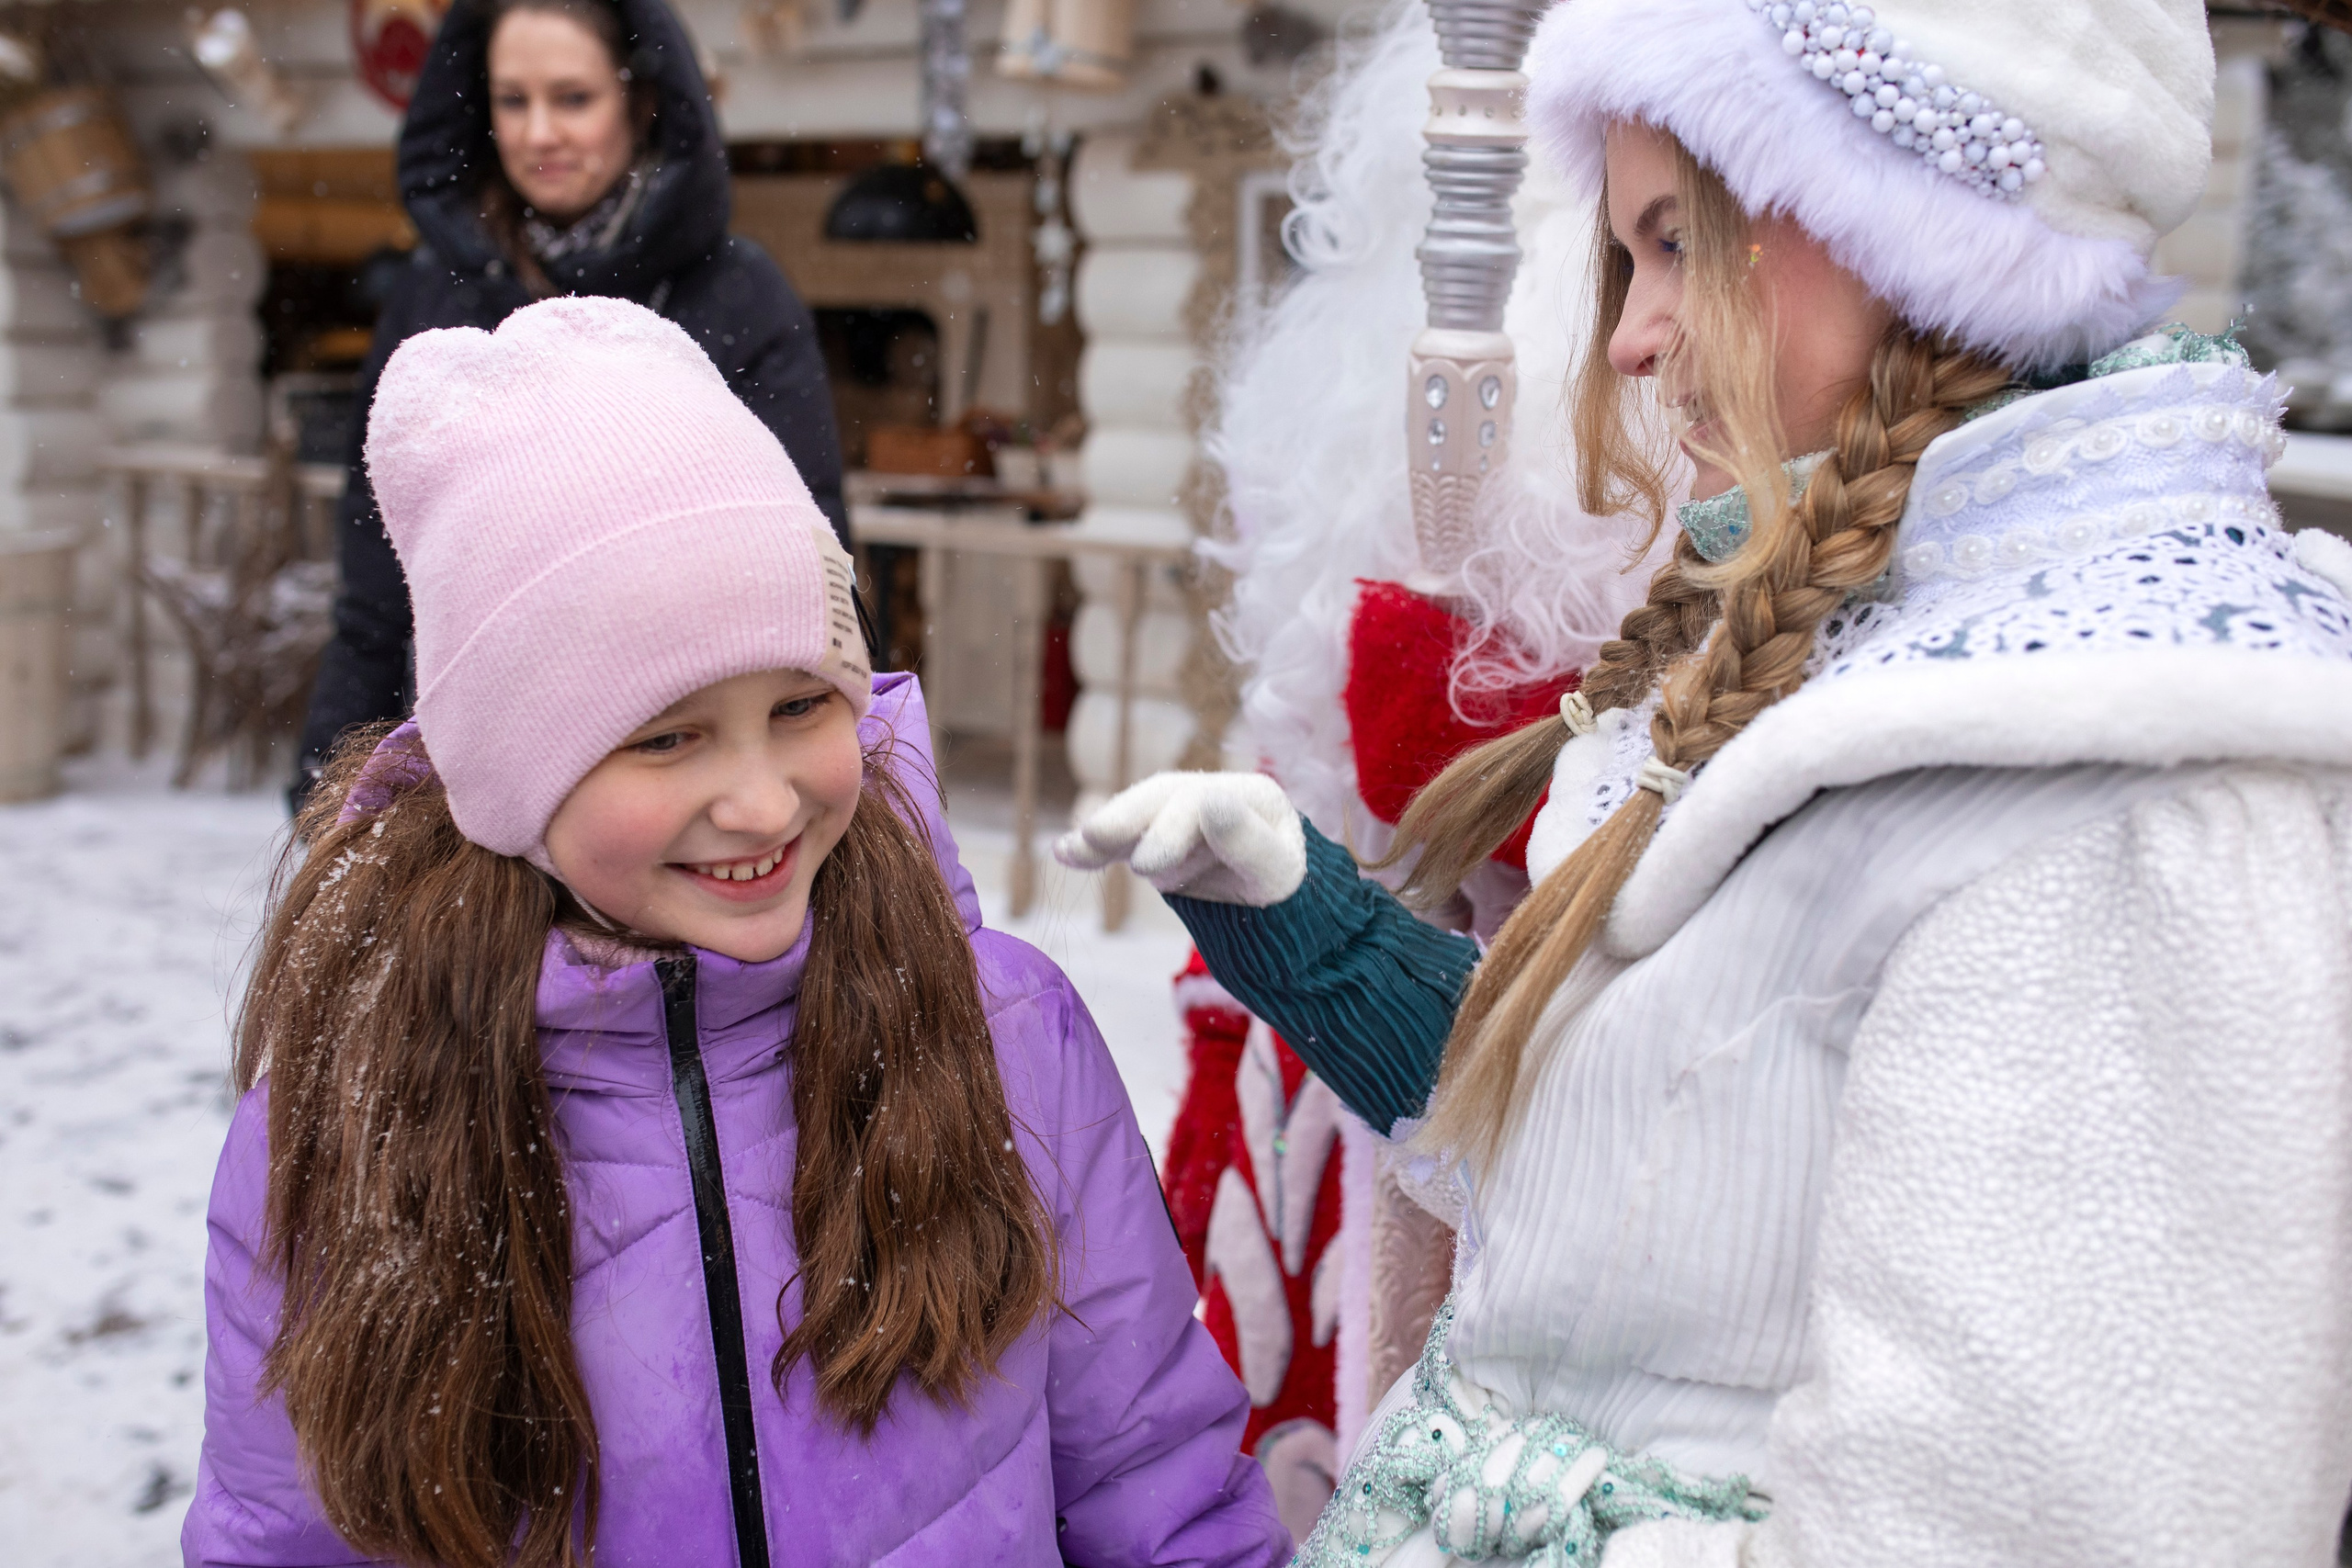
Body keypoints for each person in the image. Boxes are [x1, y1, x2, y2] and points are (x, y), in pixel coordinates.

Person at [1061, 0, 2352, 1562]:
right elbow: (1616, 1174)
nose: (1625, 334)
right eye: (1627, 257)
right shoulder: (1832, 646)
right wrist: (1308, 920)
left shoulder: (2113, 771)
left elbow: (2046, 1515)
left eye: (1674, 241)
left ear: (1897, 222)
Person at [187, 297, 1288, 1568]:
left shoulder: (1007, 1033)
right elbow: (285, 1534)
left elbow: (1161, 1483)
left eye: (800, 704)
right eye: (667, 734)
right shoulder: (346, 1114)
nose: (764, 799)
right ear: (511, 775)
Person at [293, 0, 849, 810]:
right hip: (472, 776)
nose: (539, 132)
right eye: (513, 100)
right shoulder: (435, 294)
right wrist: (330, 780)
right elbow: (381, 570)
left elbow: (815, 559)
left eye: (573, 98)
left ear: (641, 99)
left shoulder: (735, 294)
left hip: (687, 769)